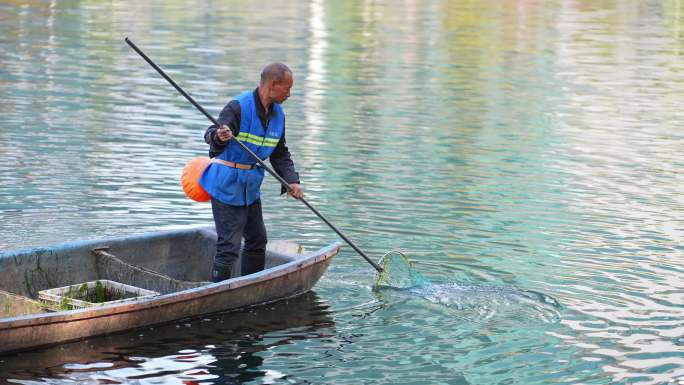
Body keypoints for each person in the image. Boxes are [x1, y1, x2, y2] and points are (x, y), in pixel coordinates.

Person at [199, 63, 304, 282]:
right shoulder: (238, 107)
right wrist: (220, 137)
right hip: (226, 185)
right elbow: (211, 135)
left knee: (257, 241)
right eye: (288, 88)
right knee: (229, 246)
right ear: (273, 85)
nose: (290, 94)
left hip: (250, 187)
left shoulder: (278, 115)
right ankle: (218, 293)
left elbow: (279, 153)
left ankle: (250, 287)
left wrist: (291, 181)